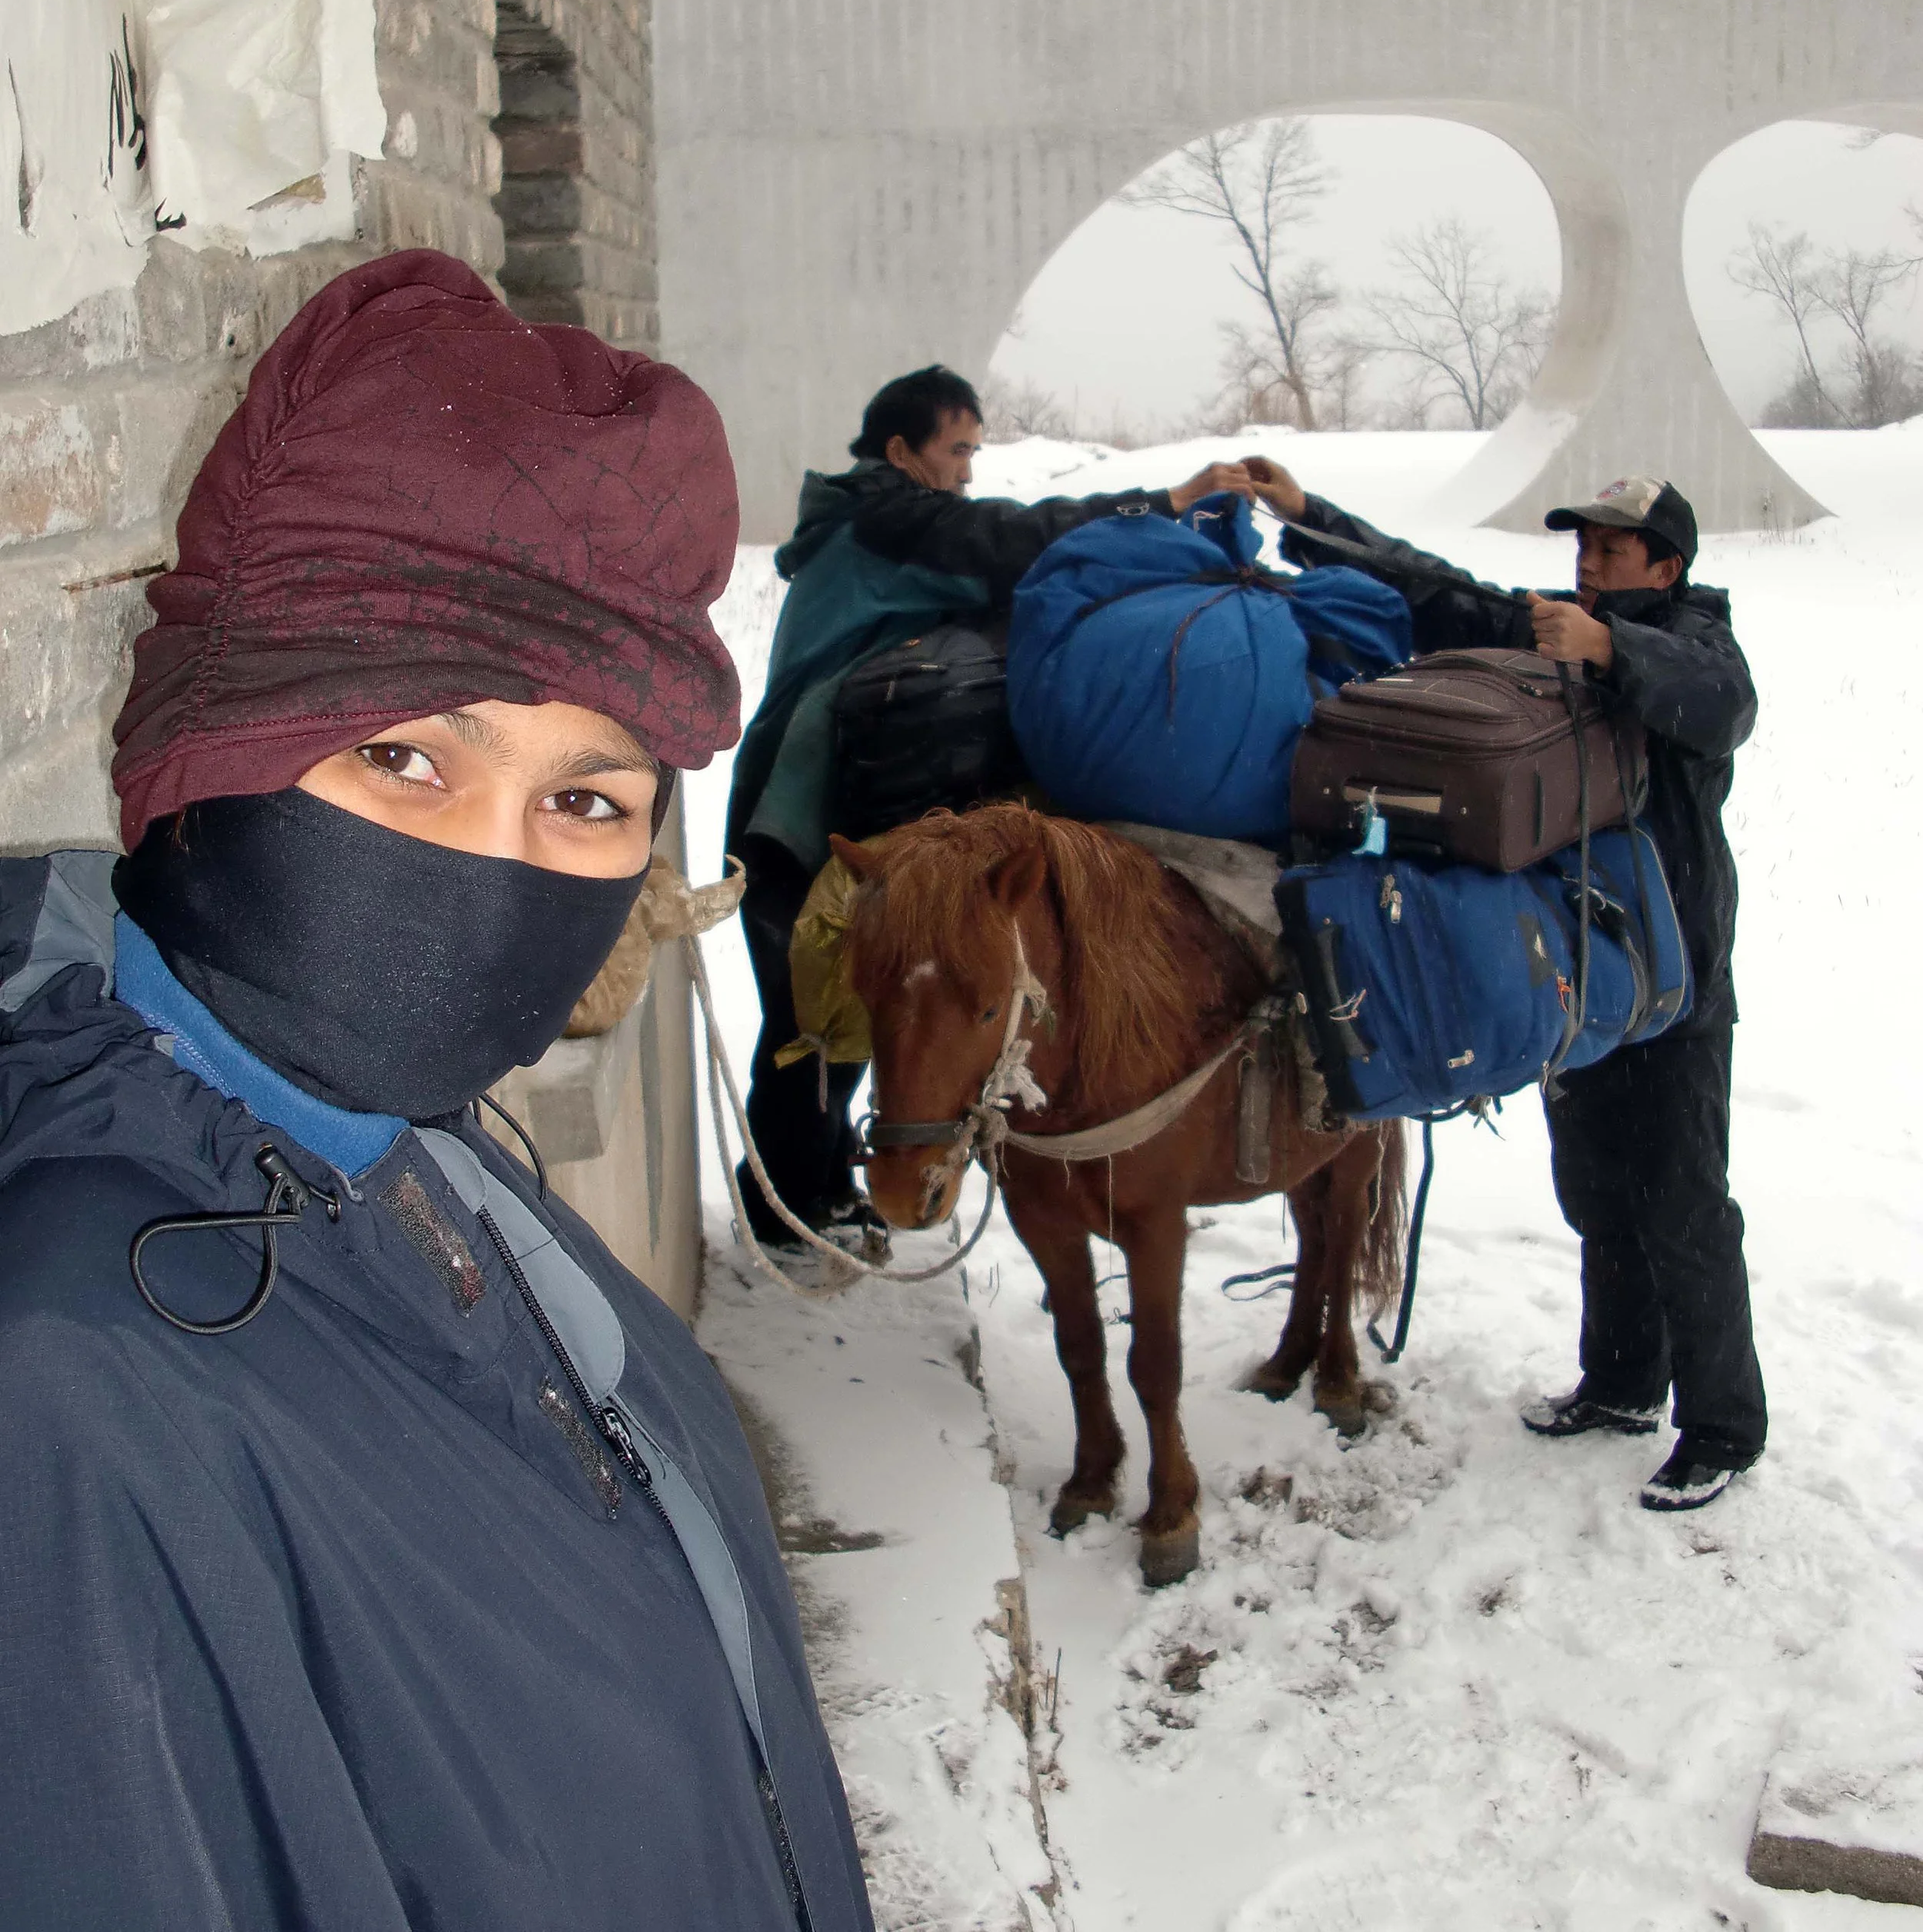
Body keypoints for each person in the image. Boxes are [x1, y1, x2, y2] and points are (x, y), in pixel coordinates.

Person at [0, 251, 873, 1930]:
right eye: (406, 757)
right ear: (202, 754)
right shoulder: (72, 1387)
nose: (493, 874)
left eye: (590, 805)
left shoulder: (418, 1169)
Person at [1247, 460, 1764, 1514]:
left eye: (1613, 548)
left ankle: (1722, 1425)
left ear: (1665, 562)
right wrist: (1310, 518)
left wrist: (1614, 648)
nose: (1589, 561)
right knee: (1597, 1191)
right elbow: (1432, 586)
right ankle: (1622, 1381)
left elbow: (1723, 703)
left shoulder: (1695, 641)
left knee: (1684, 1202)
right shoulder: (1558, 625)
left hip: (1676, 982)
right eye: (1583, 544)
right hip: (1582, 975)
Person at [725, 364, 1252, 1249]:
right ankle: (781, 1210)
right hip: (797, 806)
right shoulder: (886, 516)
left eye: (974, 449)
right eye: (957, 449)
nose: (968, 468)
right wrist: (1167, 502)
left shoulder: (884, 517)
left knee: (858, 1012)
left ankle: (814, 1190)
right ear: (901, 452)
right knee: (807, 1025)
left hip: (828, 795)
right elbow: (1014, 539)